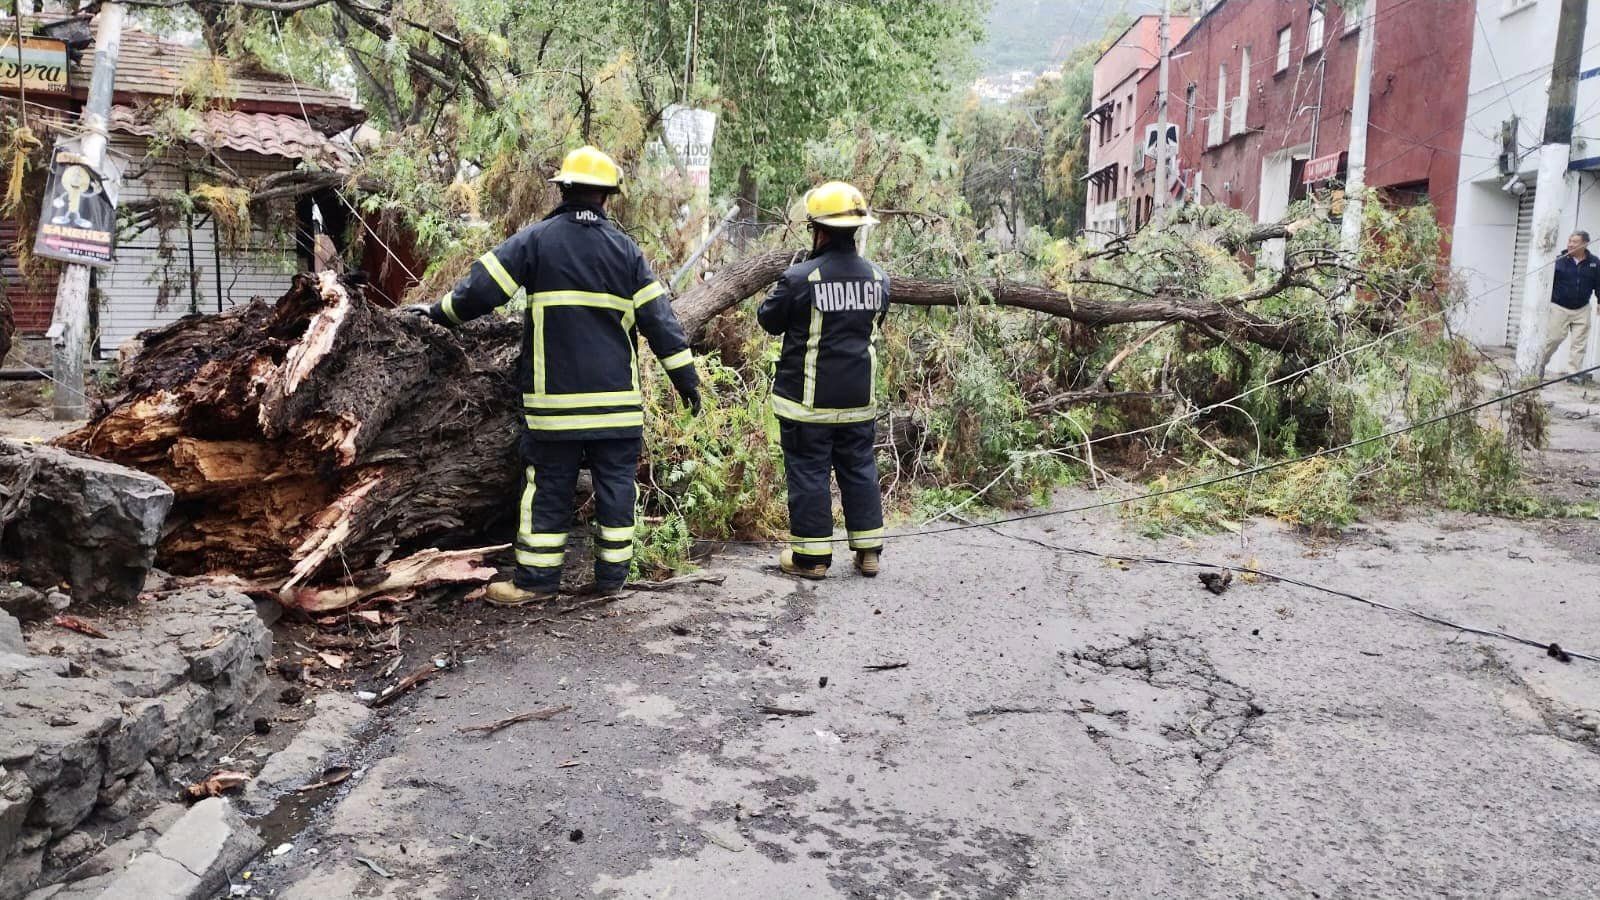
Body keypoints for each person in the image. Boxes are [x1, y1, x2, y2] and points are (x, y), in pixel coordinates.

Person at [411, 146, 700, 605]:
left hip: (554, 406)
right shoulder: (627, 252)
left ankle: (536, 583)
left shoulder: (537, 240)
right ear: (607, 196)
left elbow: (480, 291)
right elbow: (661, 323)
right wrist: (686, 380)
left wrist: (436, 313)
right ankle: (611, 581)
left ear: (563, 189)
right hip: (617, 408)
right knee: (616, 488)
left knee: (548, 488)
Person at [758, 181, 889, 580]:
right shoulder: (879, 278)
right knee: (860, 469)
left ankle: (811, 559)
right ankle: (868, 552)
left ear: (819, 230)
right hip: (858, 402)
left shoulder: (800, 278)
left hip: (807, 406)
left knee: (809, 474)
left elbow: (768, 319)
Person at [1540, 230, 1600, 383]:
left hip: (1582, 308)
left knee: (1579, 342)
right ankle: (1538, 365)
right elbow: (1546, 283)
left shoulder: (1594, 262)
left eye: (1575, 242)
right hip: (1559, 307)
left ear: (1585, 244)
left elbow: (1598, 284)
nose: (1570, 245)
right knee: (1554, 338)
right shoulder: (1559, 261)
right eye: (1569, 241)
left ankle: (1573, 373)